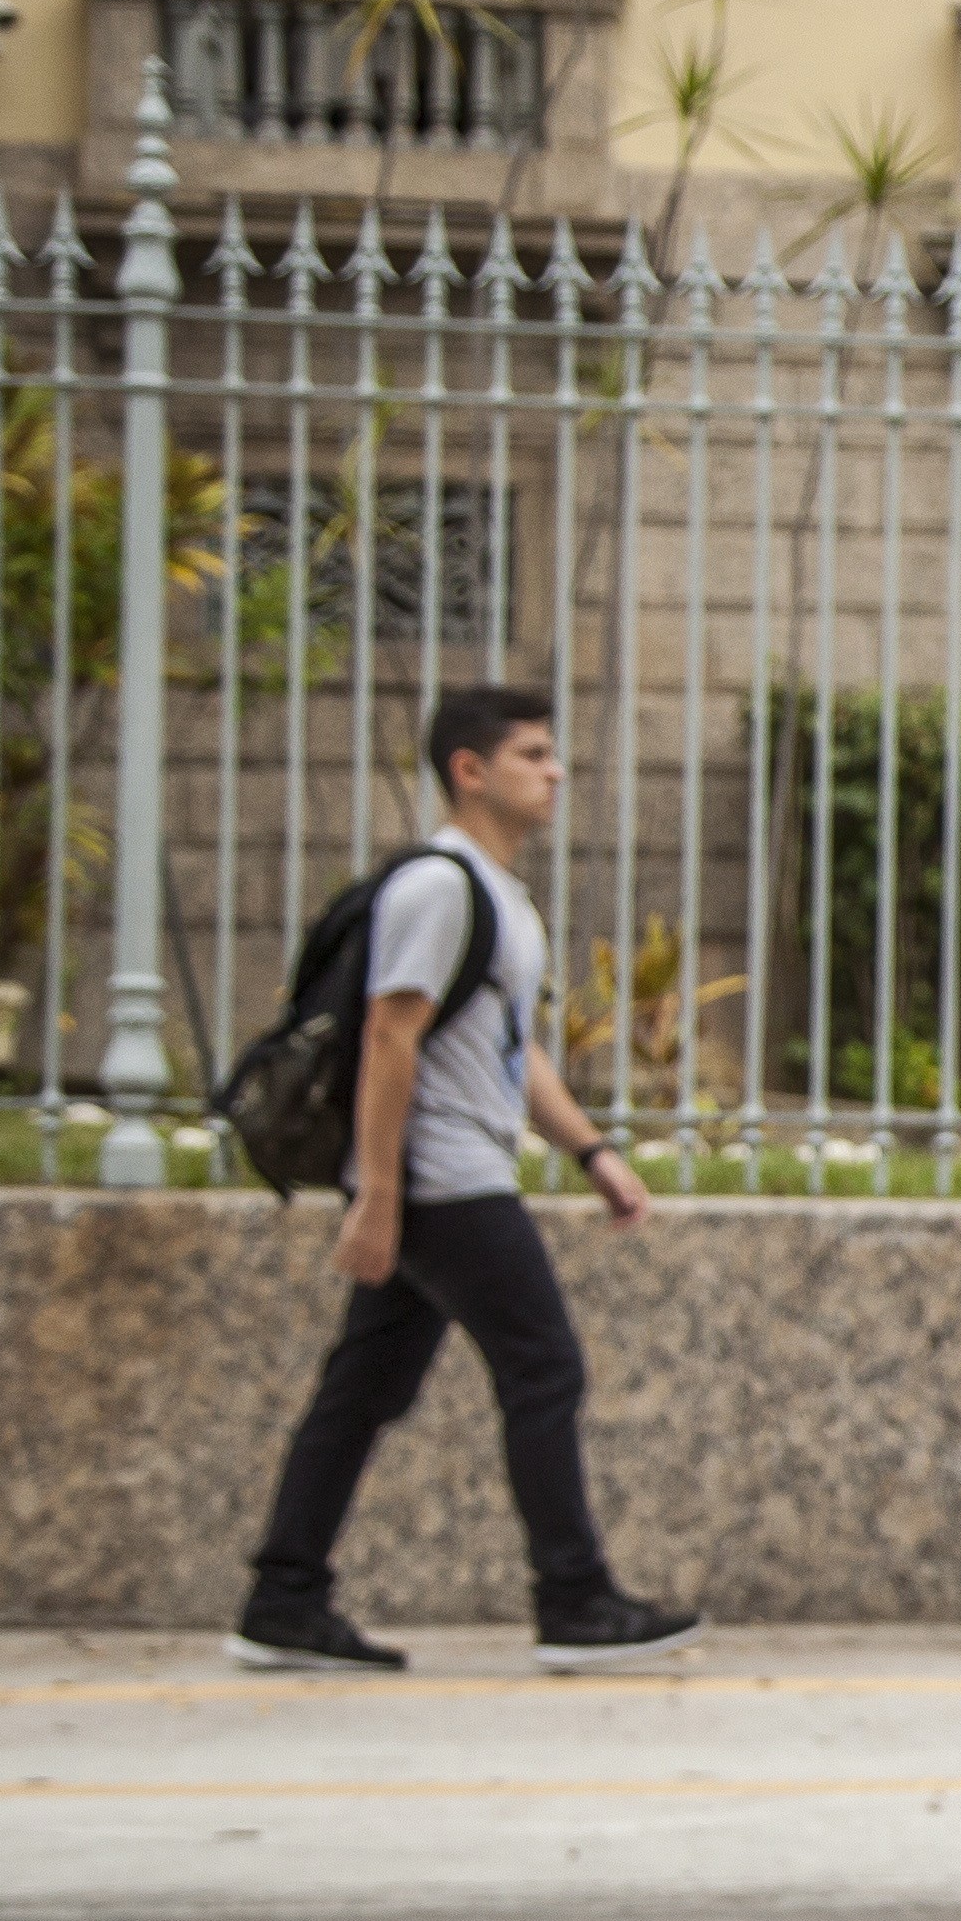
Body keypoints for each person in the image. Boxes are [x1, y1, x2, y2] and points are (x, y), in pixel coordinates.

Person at [235, 686, 703, 1676]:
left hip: (447, 1171)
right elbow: (389, 1035)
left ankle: (283, 1596)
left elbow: (512, 1051)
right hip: (441, 1177)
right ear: (470, 769)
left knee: (362, 1389)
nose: (555, 770)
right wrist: (380, 1194)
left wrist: (593, 1152)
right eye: (533, 753)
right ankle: (572, 1599)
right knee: (544, 1367)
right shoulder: (438, 887)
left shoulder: (502, 898)